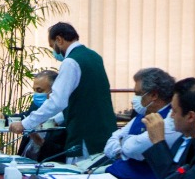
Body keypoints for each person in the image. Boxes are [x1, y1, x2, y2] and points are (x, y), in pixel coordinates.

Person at [9, 22, 117, 163]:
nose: (54, 52)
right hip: (104, 133)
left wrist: (25, 124)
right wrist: (54, 120)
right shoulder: (94, 57)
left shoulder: (71, 62)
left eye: (52, 45)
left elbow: (57, 101)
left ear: (59, 40)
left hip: (84, 137)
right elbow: (83, 99)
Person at [103, 68, 181, 179]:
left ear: (154, 95)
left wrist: (123, 146)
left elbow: (133, 149)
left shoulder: (171, 119)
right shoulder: (142, 115)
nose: (134, 100)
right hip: (120, 176)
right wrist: (124, 152)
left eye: (138, 94)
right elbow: (110, 143)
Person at [0, 70, 67, 162]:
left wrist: (39, 141)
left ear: (55, 91)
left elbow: (63, 154)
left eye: (39, 90)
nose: (36, 95)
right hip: (22, 163)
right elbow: (19, 119)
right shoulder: (36, 107)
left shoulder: (66, 117)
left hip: (44, 169)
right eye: (34, 90)